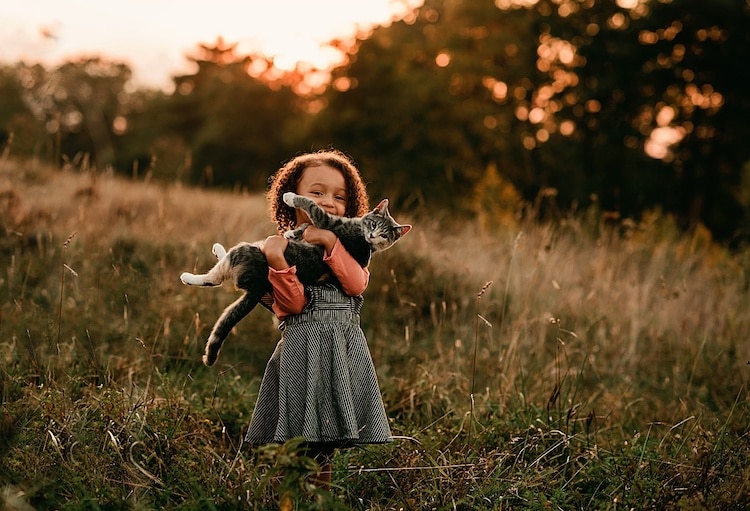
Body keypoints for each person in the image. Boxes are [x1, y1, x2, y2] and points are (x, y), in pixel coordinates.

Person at [245, 149, 392, 486]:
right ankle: (287, 498)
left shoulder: (351, 248)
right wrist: (276, 261)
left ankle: (318, 499)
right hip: (301, 353)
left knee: (324, 445)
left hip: (340, 354)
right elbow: (293, 305)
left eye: (339, 196)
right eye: (317, 192)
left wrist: (328, 241)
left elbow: (355, 285)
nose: (328, 202)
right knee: (297, 440)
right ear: (291, 200)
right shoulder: (278, 249)